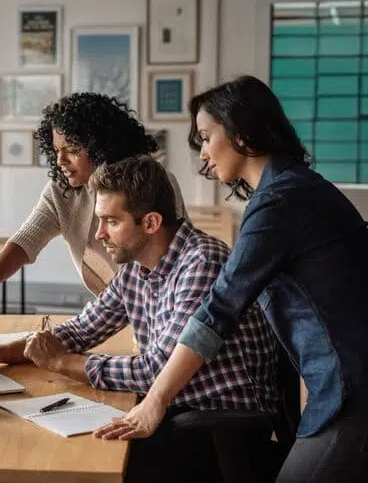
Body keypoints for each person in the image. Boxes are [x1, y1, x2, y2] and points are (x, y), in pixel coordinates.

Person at [96, 76, 368, 482]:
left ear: (241, 133)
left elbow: (218, 310)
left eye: (207, 137)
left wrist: (154, 402)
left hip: (354, 387)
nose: (204, 153)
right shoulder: (290, 189)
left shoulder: (279, 201)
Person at [0, 156, 278, 483]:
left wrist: (62, 363)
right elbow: (83, 329)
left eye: (111, 221)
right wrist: (5, 351)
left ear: (150, 223)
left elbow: (154, 371)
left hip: (215, 425)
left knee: (69, 460)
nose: (99, 233)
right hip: (174, 410)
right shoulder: (136, 265)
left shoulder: (201, 262)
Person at [0, 92, 187, 333]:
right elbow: (25, 241)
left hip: (162, 312)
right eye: (57, 150)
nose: (60, 161)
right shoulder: (63, 190)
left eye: (72, 150)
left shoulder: (152, 183)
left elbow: (170, 264)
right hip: (111, 313)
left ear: (102, 146)